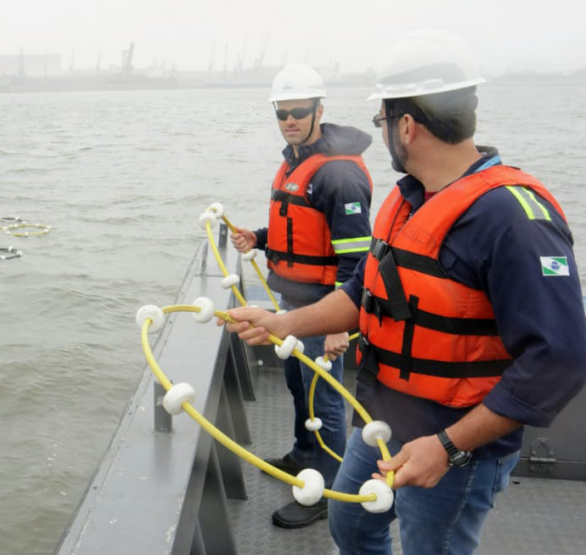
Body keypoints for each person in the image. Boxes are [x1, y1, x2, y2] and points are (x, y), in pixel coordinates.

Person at [224, 28, 586, 554]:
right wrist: (283, 323)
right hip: (383, 421)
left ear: (407, 126)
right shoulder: (407, 200)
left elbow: (561, 358)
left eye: (383, 120)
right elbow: (361, 290)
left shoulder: (513, 218)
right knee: (351, 524)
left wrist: (447, 447)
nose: (383, 132)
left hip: (456, 446)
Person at [229, 63, 374, 529]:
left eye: (298, 111)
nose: (289, 120)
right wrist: (259, 237)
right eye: (282, 113)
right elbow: (301, 229)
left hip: (321, 307)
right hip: (292, 303)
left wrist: (337, 325)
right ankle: (304, 454)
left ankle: (328, 490)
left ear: (319, 110)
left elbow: (357, 260)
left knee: (324, 400)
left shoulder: (340, 176)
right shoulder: (296, 161)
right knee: (297, 384)